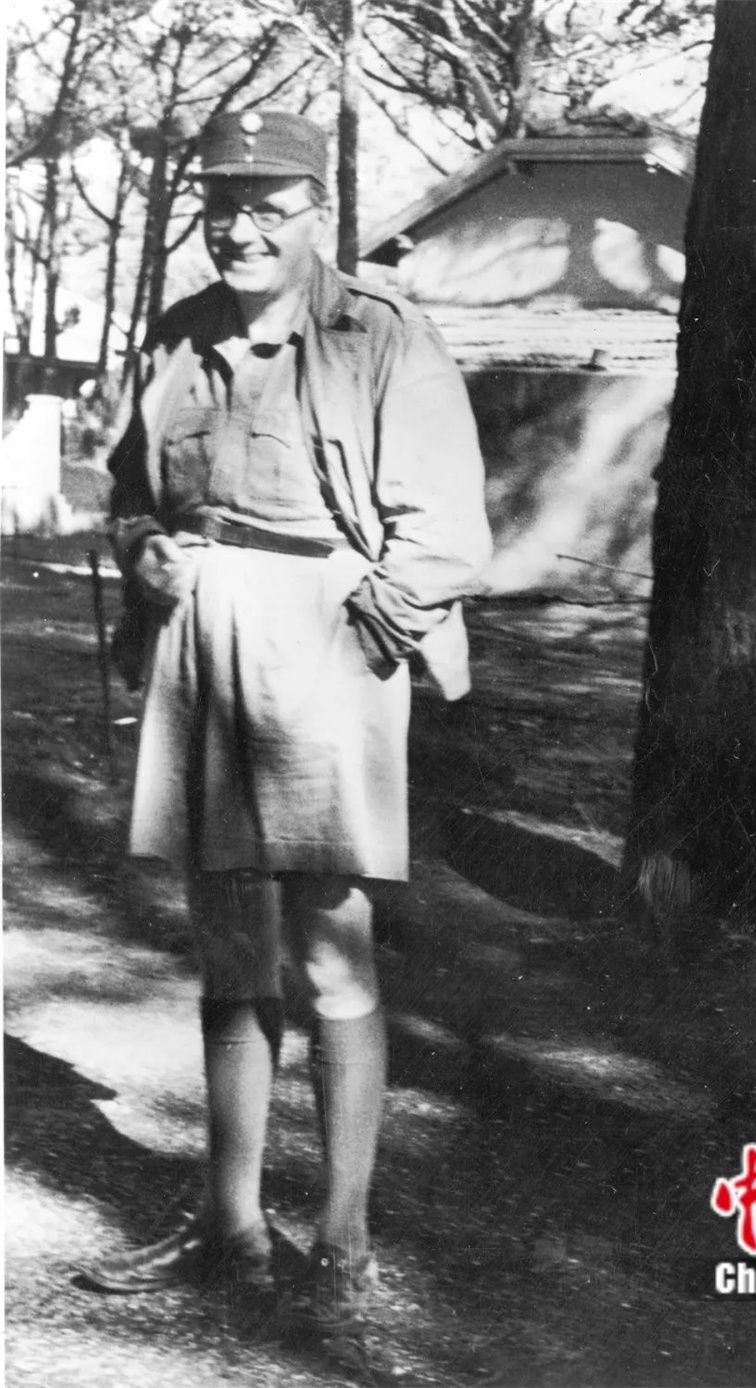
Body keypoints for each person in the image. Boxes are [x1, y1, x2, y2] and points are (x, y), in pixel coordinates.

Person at [83, 109, 492, 1373]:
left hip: (329, 636)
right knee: (227, 938)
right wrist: (146, 551)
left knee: (328, 943)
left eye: (269, 203)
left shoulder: (381, 333)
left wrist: (361, 631)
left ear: (319, 209)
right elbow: (132, 489)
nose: (242, 226)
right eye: (223, 202)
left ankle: (344, 1235)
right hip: (203, 633)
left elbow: (446, 533)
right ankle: (230, 1225)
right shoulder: (177, 334)